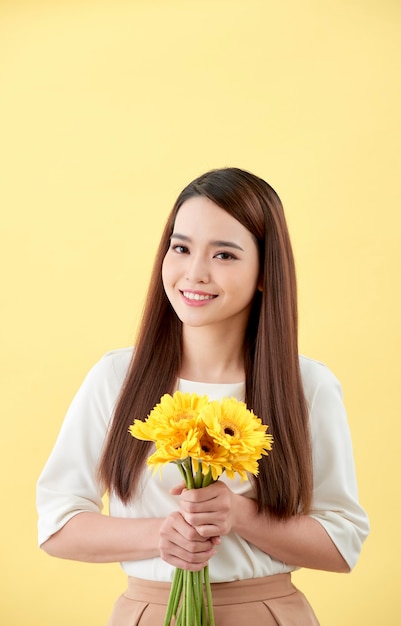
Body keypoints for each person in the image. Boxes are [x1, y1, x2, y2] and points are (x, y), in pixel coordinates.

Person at [37, 167, 369, 625]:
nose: (194, 273)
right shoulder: (116, 377)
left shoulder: (307, 386)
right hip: (152, 614)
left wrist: (239, 514)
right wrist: (161, 535)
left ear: (263, 272)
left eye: (225, 255)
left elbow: (341, 543)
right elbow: (57, 524)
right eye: (181, 247)